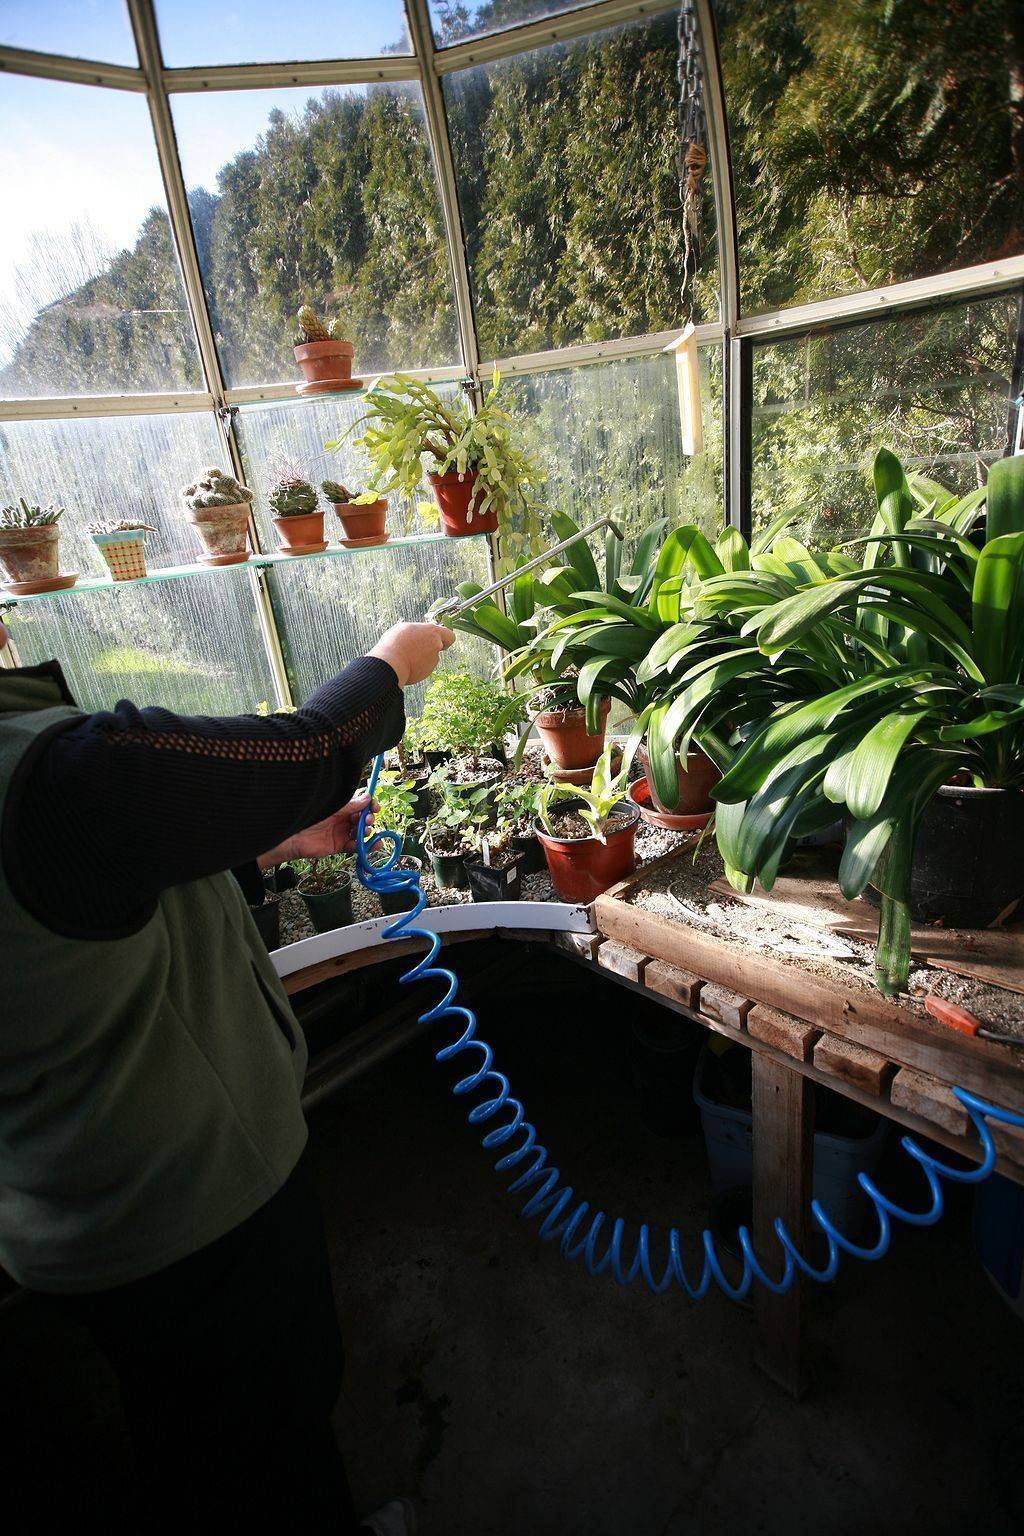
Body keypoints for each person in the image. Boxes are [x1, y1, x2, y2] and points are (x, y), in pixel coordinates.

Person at [0, 615, 455, 1533]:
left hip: (77, 1210)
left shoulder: (41, 793)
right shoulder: (44, 777)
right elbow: (314, 748)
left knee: (207, 1434)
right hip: (189, 1211)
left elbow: (77, 912)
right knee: (264, 1428)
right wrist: (393, 661)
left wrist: (271, 851)